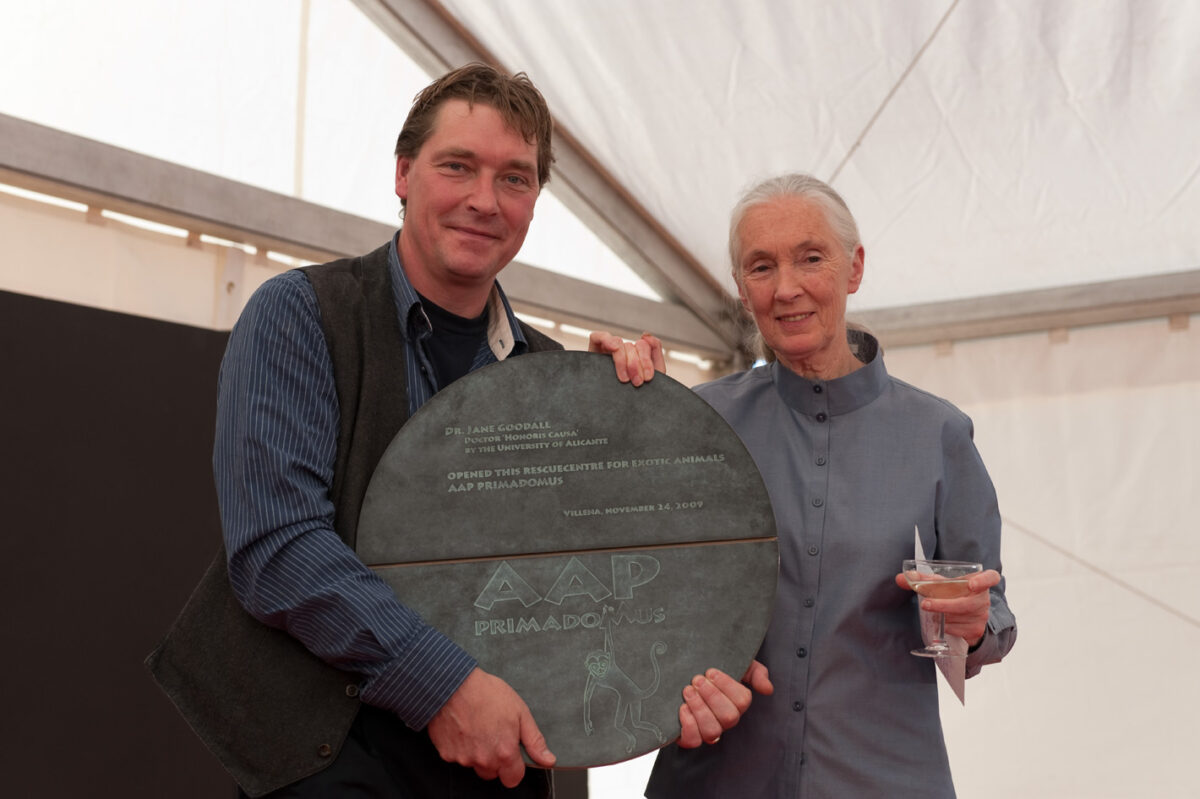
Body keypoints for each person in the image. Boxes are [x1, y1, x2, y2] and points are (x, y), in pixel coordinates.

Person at [147, 63, 754, 798]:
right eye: (457, 166)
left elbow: (607, 564)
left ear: (534, 201)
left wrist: (704, 641)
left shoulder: (557, 374)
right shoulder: (298, 316)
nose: (483, 200)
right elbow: (276, 549)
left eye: (514, 179)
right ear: (403, 172)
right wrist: (444, 687)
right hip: (330, 750)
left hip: (502, 762)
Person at [645, 173, 1017, 798]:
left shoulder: (939, 434)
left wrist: (974, 624)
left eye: (810, 258)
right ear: (741, 289)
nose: (786, 288)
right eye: (760, 267)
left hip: (885, 777)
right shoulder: (696, 424)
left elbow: (993, 614)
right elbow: (633, 587)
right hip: (715, 781)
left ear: (854, 267)